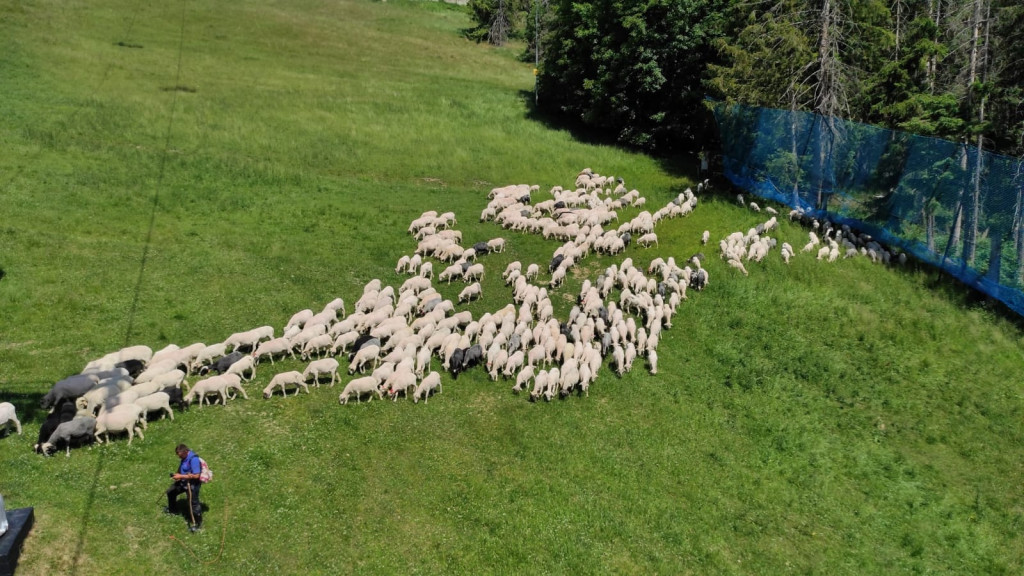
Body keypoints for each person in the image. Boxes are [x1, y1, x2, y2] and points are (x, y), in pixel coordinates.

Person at [166, 443, 203, 532]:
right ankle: (173, 510)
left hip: (192, 484)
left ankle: (198, 523)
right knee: (171, 492)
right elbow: (182, 467)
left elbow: (196, 475)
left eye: (180, 455)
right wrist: (177, 475)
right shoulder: (184, 457)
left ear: (186, 451)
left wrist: (181, 476)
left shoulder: (194, 459)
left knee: (193, 503)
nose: (179, 457)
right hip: (182, 482)